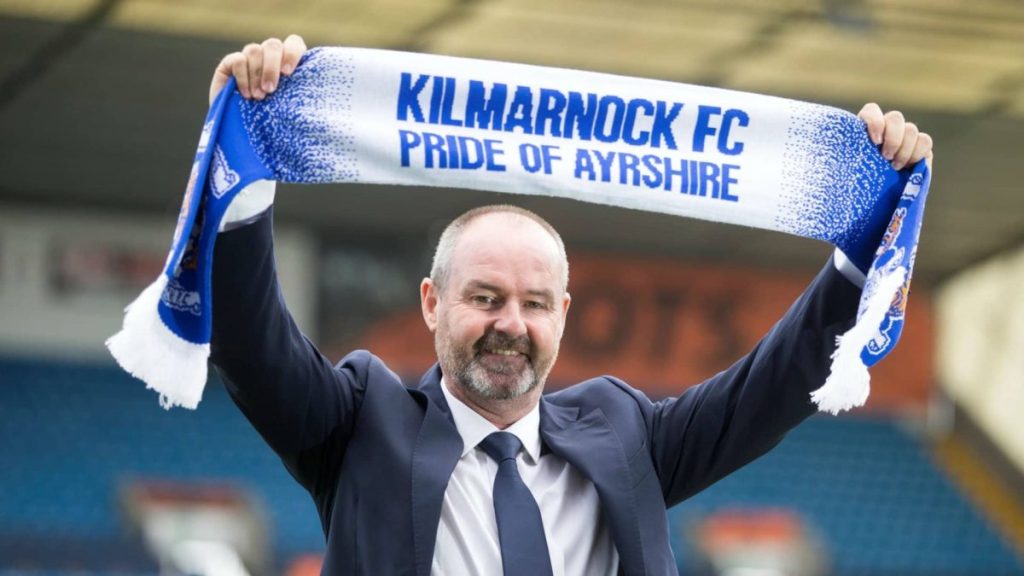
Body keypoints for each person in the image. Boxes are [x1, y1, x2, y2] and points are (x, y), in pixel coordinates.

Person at [207, 36, 933, 575]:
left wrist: (867, 237)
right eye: (485, 298)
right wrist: (242, 165)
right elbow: (251, 343)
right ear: (431, 303)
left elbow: (774, 387)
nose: (510, 326)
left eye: (535, 303)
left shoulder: (626, 434)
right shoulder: (360, 424)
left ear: (564, 313)